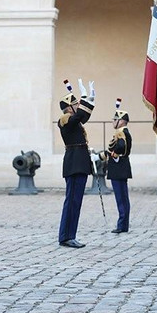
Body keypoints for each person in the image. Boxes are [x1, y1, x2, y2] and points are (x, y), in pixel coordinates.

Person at [57, 78, 95, 249]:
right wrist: (85, 99)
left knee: (76, 202)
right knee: (72, 201)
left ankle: (70, 234)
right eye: (76, 104)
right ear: (69, 107)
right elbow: (79, 115)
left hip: (79, 164)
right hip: (74, 164)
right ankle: (66, 236)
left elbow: (83, 116)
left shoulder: (74, 121)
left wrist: (90, 101)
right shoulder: (65, 120)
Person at [105, 98, 132, 234]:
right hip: (120, 168)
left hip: (119, 168)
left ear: (120, 120)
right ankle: (123, 224)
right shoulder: (122, 133)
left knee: (121, 198)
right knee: (122, 198)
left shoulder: (121, 133)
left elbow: (121, 147)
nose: (112, 122)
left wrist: (114, 154)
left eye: (114, 119)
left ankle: (122, 225)